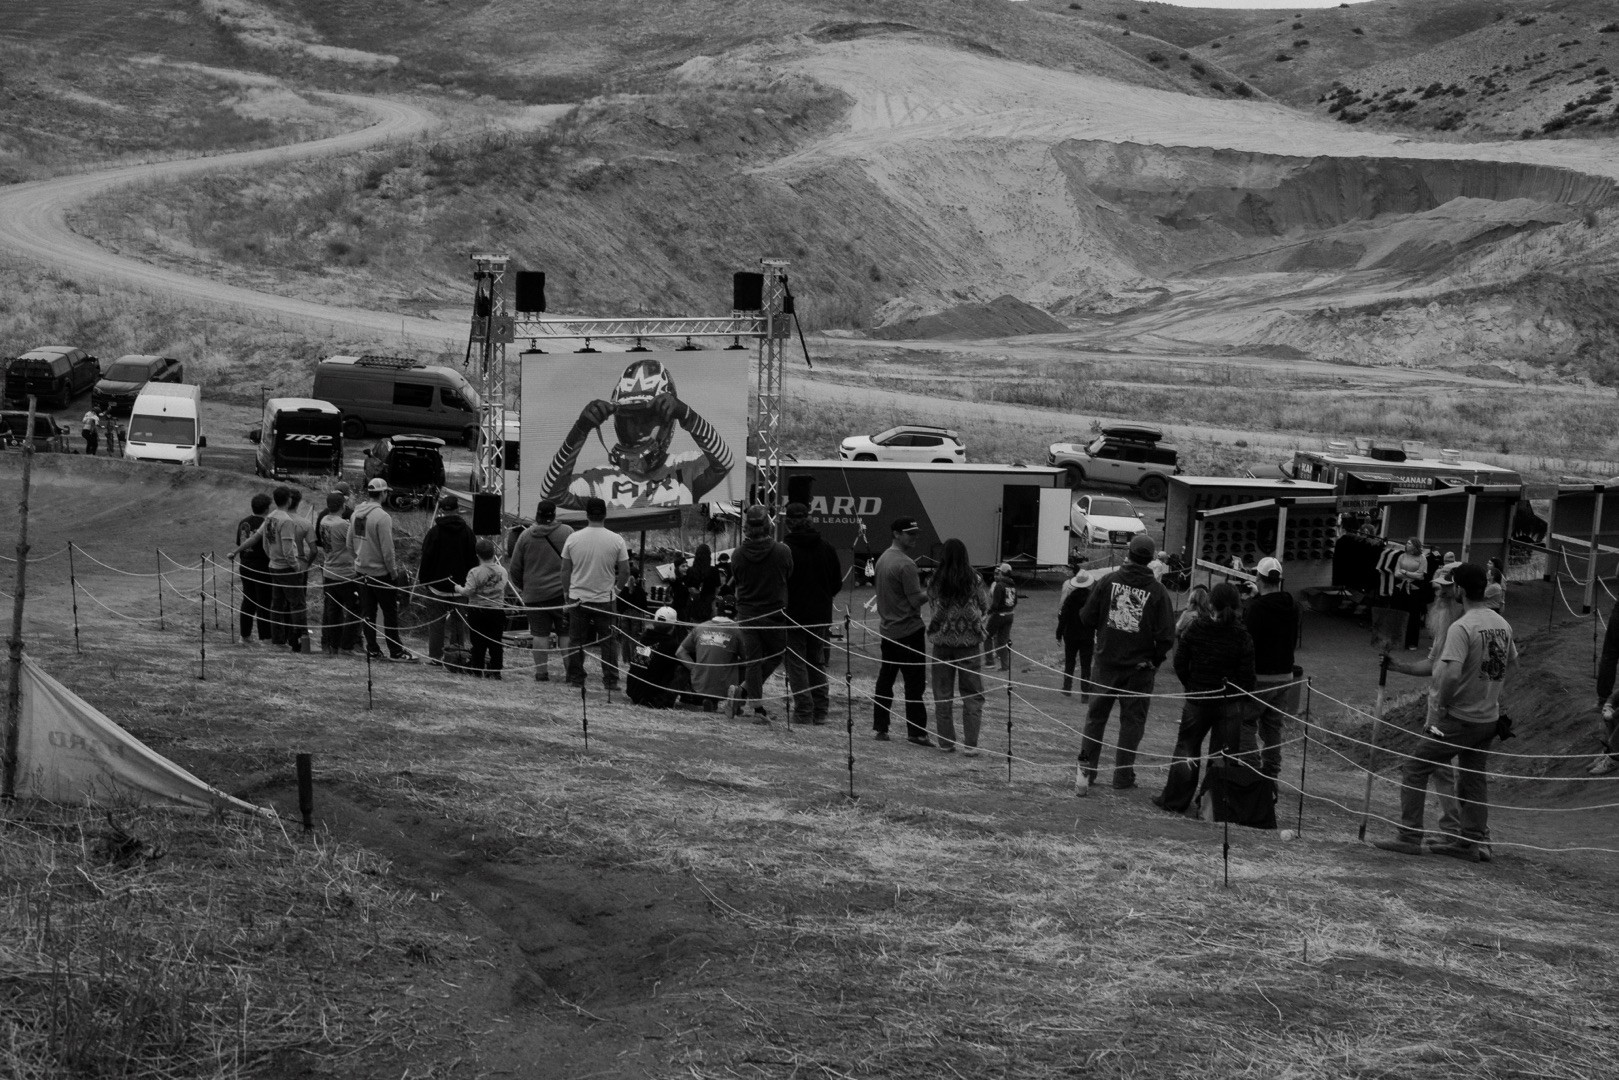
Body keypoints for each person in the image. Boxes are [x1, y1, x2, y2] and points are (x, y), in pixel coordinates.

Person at [1374, 562, 1517, 863]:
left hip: (1459, 717)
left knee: (1415, 768)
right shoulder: (1502, 625)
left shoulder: (1462, 626)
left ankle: (1410, 835)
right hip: (1488, 718)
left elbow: (1450, 675)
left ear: (1461, 590)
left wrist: (1442, 707)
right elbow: (1511, 665)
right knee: (1473, 778)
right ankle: (1470, 843)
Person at [540, 358, 735, 510]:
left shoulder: (684, 468)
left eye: (648, 419)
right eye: (630, 420)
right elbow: (551, 494)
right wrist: (580, 430)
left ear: (667, 422)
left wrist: (688, 415)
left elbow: (724, 462)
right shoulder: (600, 480)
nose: (639, 429)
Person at [1074, 533, 1175, 795]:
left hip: (1106, 663)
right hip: (1139, 670)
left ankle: (1085, 774)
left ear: (1128, 554)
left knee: (1095, 719)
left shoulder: (1108, 581)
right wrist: (1153, 660)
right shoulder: (1158, 592)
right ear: (1151, 559)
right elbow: (1166, 636)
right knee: (1132, 724)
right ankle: (1122, 777)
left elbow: (1085, 617)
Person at [1154, 583, 1257, 816]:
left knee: (1187, 749)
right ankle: (1214, 807)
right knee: (1223, 755)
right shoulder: (1242, 635)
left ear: (1211, 603)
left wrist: (1191, 685)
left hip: (1198, 699)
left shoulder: (1198, 628)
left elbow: (1180, 661)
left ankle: (1175, 801)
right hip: (1228, 702)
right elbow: (1247, 674)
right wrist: (1237, 695)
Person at [731, 505, 794, 723]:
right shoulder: (782, 551)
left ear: (746, 527)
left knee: (753, 661)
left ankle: (754, 704)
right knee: (776, 654)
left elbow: (737, 581)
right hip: (774, 612)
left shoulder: (737, 555)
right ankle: (747, 694)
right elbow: (788, 575)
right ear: (769, 525)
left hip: (747, 613)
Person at [782, 502, 843, 725]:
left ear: (787, 523)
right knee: (816, 661)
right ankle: (820, 710)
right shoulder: (826, 547)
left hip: (794, 614)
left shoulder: (785, 549)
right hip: (820, 614)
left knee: (796, 663)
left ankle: (804, 710)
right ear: (809, 519)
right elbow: (836, 583)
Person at [230, 486, 311, 653]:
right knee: (297, 604)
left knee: (276, 605)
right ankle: (298, 642)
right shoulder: (286, 520)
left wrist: (236, 551)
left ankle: (277, 640)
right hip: (286, 567)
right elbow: (288, 548)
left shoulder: (270, 518)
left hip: (272, 566)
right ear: (288, 500)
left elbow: (256, 539)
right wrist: (296, 567)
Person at [561, 496, 631, 690]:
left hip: (578, 598)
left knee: (577, 640)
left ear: (587, 514)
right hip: (606, 598)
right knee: (609, 642)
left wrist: (567, 592)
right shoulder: (616, 539)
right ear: (605, 515)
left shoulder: (573, 538)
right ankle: (610, 680)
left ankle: (576, 679)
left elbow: (565, 570)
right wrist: (616, 590)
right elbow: (625, 571)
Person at [927, 538, 988, 755]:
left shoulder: (935, 580)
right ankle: (970, 744)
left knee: (942, 694)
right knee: (972, 694)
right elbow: (984, 605)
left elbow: (932, 605)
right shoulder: (975, 578)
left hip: (942, 644)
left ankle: (946, 742)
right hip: (969, 644)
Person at [872, 517, 931, 745]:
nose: (914, 538)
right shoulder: (906, 564)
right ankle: (916, 732)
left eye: (916, 534)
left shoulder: (883, 559)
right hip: (909, 631)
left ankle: (880, 727)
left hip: (888, 630)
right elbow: (915, 600)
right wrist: (933, 591)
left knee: (885, 680)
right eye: (910, 534)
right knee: (914, 685)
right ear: (896, 534)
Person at [1245, 556, 1300, 779]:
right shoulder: (1292, 606)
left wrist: (1250, 603)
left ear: (1258, 578)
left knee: (1245, 724)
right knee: (1272, 728)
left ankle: (1252, 769)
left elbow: (1248, 642)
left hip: (1260, 676)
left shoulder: (1256, 609)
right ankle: (1270, 774)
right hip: (1285, 675)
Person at [506, 499, 573, 682]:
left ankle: (541, 673)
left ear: (537, 514)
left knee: (539, 634)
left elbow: (515, 568)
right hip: (562, 593)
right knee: (565, 634)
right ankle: (570, 673)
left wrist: (525, 586)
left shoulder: (525, 536)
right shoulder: (567, 532)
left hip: (534, 594)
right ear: (554, 514)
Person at [350, 477, 416, 663]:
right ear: (383, 493)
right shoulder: (382, 517)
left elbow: (349, 543)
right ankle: (395, 650)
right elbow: (388, 550)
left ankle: (372, 649)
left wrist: (358, 558)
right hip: (381, 574)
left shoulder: (356, 514)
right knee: (389, 614)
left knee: (367, 613)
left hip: (361, 571)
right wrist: (393, 572)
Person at [417, 494, 478, 669]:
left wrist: (425, 581)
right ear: (458, 509)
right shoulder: (467, 532)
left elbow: (426, 559)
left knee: (436, 622)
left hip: (437, 586)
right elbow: (473, 561)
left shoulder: (434, 533)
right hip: (460, 587)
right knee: (459, 622)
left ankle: (436, 656)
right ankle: (456, 656)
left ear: (442, 510)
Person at [677, 596, 745, 713]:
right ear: (736, 613)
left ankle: (710, 701)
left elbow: (680, 652)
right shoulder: (737, 630)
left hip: (699, 684)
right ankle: (736, 703)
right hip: (726, 687)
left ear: (717, 610)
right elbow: (748, 658)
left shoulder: (700, 627)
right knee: (747, 666)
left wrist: (694, 669)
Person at [314, 491, 361, 655]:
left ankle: (333, 645)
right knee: (355, 609)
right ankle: (347, 645)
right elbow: (356, 543)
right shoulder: (343, 525)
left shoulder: (324, 520)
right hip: (345, 573)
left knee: (333, 611)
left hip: (329, 570)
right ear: (343, 505)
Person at [457, 538, 511, 678]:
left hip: (477, 611)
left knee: (478, 641)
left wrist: (458, 588)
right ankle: (496, 670)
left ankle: (477, 668)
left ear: (477, 555)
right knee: (495, 642)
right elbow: (502, 587)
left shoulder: (474, 572)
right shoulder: (503, 571)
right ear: (493, 553)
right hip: (497, 611)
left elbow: (468, 591)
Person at [233, 493, 274, 644]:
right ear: (267, 508)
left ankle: (245, 635)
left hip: (245, 564)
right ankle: (265, 637)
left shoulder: (244, 522)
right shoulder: (267, 524)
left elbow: (240, 543)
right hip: (263, 566)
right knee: (264, 602)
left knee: (248, 600)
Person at [628, 606, 686, 708]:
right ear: (673, 626)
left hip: (633, 692)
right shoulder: (671, 645)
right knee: (684, 668)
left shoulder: (644, 638)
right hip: (652, 698)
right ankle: (689, 698)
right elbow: (684, 662)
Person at [1057, 565, 1097, 699]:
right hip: (1087, 635)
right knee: (1086, 664)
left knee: (1070, 661)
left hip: (1071, 634)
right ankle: (1085, 693)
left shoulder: (1070, 598)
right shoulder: (1092, 599)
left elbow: (1063, 617)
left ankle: (1067, 687)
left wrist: (1058, 634)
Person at [1393, 536, 1428, 650]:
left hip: (1414, 589)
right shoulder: (1401, 556)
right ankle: (1398, 639)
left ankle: (1412, 642)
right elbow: (1396, 573)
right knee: (1399, 611)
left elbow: (1420, 575)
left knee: (1413, 615)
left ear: (1415, 546)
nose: (1407, 545)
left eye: (1409, 543)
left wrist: (1405, 572)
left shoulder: (1422, 558)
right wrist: (1409, 574)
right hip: (1401, 587)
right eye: (1407, 543)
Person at [986, 562, 1018, 673]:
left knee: (987, 635)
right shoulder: (1013, 585)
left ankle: (989, 662)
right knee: (1003, 641)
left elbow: (995, 604)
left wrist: (987, 613)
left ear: (1002, 573)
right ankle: (1005, 666)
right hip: (1010, 615)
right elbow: (1015, 601)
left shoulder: (999, 585)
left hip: (1000, 615)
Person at [684, 545, 721, 624]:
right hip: (710, 604)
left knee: (694, 629)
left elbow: (687, 588)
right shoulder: (714, 570)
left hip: (694, 604)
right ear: (709, 556)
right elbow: (718, 588)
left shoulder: (690, 571)